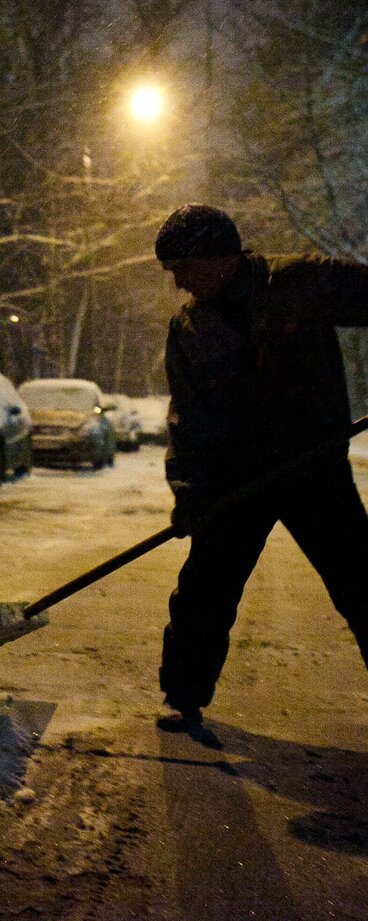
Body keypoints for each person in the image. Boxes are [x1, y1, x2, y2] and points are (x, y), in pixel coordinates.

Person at [154, 203, 368, 733]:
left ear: (220, 256)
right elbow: (189, 419)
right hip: (236, 481)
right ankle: (183, 695)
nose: (179, 283)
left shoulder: (296, 284)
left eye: (184, 267)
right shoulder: (189, 329)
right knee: (205, 589)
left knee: (362, 584)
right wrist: (189, 495)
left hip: (313, 469)